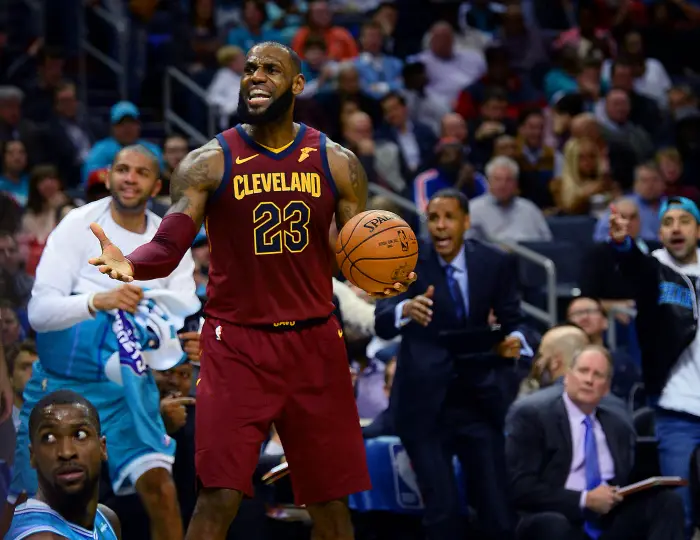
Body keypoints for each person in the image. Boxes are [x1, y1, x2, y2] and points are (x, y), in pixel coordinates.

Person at [87, 41, 415, 540]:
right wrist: (130, 263)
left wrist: (382, 277)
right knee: (217, 495)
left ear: (298, 85)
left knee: (329, 502)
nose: (256, 76)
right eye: (250, 69)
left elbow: (351, 254)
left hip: (314, 345)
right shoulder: (208, 162)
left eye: (271, 69)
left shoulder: (338, 162)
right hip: (236, 344)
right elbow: (171, 243)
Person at [4, 145, 201, 540]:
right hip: (63, 382)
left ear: (156, 184)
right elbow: (41, 313)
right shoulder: (78, 225)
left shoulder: (169, 242)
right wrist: (99, 300)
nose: (130, 178)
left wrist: (182, 344)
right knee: (32, 500)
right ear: (108, 175)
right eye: (122, 169)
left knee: (161, 489)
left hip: (129, 387)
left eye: (141, 172)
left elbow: (181, 312)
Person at [375, 188, 533, 540]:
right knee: (443, 514)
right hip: (424, 407)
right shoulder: (408, 262)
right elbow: (381, 319)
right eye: (433, 218)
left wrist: (516, 342)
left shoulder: (493, 262)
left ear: (466, 222)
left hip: (478, 399)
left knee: (498, 514)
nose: (440, 226)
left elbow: (515, 320)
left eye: (448, 218)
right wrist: (405, 310)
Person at [505, 345, 684, 540]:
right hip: (556, 516)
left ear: (606, 388)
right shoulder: (533, 417)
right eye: (583, 371)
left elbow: (627, 479)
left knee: (667, 502)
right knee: (554, 525)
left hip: (606, 521)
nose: (589, 380)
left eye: (598, 375)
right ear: (567, 377)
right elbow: (521, 488)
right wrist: (584, 500)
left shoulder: (617, 425)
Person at [609, 196, 700, 538]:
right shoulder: (653, 270)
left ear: (698, 229)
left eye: (684, 220)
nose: (676, 227)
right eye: (667, 222)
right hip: (678, 410)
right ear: (659, 233)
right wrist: (622, 244)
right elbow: (632, 264)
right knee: (680, 510)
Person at [5, 390, 121, 539]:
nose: (66, 452)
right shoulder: (39, 536)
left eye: (80, 435)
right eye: (49, 438)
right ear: (33, 455)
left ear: (102, 448)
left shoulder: (106, 518)